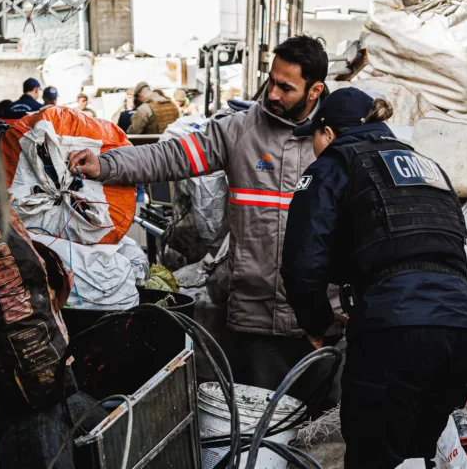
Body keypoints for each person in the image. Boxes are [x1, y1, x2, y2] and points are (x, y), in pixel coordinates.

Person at [67, 36, 340, 396]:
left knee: (322, 424)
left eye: (286, 87)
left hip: (321, 324)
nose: (272, 94)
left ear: (315, 90)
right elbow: (170, 157)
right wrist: (106, 164)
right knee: (260, 420)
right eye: (271, 81)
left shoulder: (339, 138)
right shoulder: (239, 130)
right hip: (256, 319)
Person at [280, 87, 467, 469]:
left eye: (314, 138)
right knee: (417, 456)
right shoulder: (427, 166)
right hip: (463, 329)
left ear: (328, 133)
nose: (314, 148)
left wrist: (318, 324)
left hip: (396, 330)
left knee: (372, 457)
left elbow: (302, 264)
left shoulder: (336, 161)